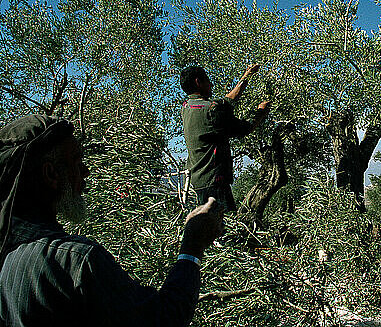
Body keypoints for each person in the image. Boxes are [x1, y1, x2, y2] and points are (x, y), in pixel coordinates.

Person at [0, 114, 224, 326]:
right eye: (77, 162)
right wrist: (192, 246)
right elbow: (163, 318)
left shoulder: (8, 254)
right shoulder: (74, 261)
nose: (85, 172)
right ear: (51, 174)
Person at [180, 64, 270, 212]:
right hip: (215, 184)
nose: (212, 84)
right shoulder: (212, 111)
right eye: (208, 80)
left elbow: (228, 100)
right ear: (198, 82)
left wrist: (247, 76)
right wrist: (261, 112)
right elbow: (245, 128)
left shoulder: (187, 107)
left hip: (197, 182)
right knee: (224, 229)